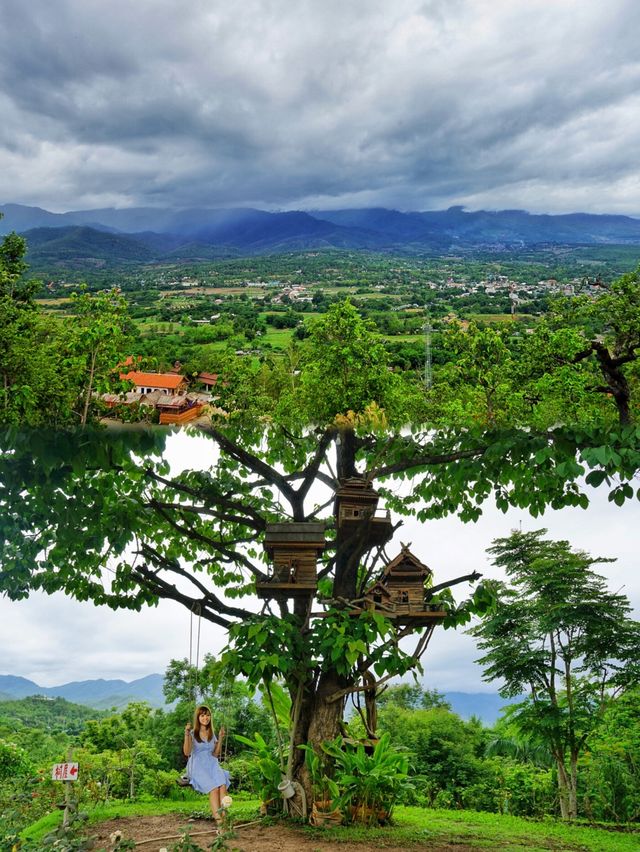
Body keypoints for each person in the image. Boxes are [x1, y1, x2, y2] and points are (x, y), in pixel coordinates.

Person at [183, 705, 231, 823]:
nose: (206, 718)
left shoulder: (211, 733)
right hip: (197, 765)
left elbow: (215, 754)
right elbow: (187, 752)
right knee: (214, 788)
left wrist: (220, 738)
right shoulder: (193, 733)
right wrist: (187, 734)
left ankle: (225, 820)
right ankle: (220, 824)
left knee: (222, 785)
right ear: (198, 717)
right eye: (202, 715)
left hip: (212, 763)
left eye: (208, 715)